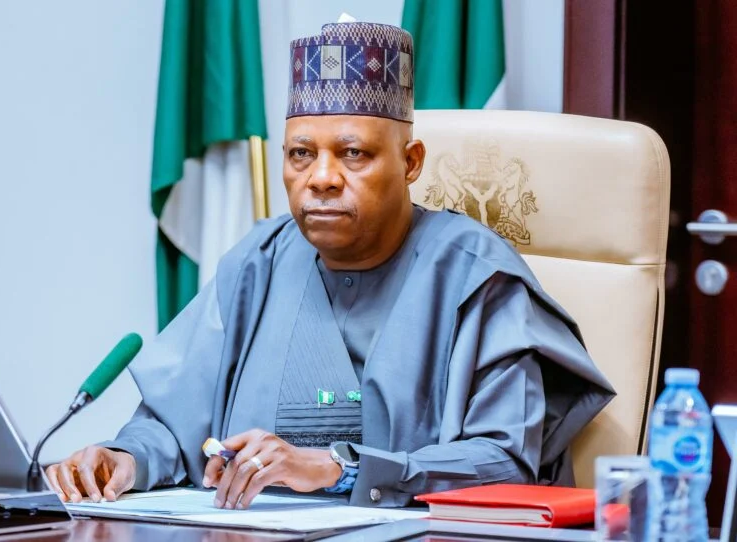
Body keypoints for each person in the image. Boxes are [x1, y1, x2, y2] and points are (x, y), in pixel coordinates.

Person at [46, 21, 614, 510]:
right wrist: (125, 458)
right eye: (301, 154)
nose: (320, 178)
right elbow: (171, 424)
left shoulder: (475, 276)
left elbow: (505, 460)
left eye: (352, 153)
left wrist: (341, 468)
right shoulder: (259, 262)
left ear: (411, 162)